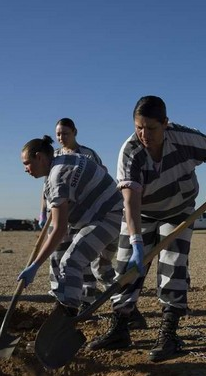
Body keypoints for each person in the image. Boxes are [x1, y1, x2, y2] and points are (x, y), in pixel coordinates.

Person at [88, 95, 206, 361]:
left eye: (151, 128)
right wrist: (138, 243)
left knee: (173, 265)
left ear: (165, 123)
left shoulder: (186, 139)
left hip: (179, 209)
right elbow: (130, 201)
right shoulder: (130, 152)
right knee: (126, 267)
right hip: (141, 212)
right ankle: (120, 328)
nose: (144, 134)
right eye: (139, 127)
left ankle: (169, 334)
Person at [38, 118, 146, 327]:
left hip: (96, 215)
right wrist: (44, 211)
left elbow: (98, 179)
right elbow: (48, 189)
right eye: (58, 134)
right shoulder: (55, 156)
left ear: (75, 132)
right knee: (61, 257)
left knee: (91, 263)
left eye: (65, 133)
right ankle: (69, 303)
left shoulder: (87, 154)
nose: (61, 138)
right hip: (70, 217)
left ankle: (99, 303)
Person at [17, 135, 123, 316]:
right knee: (58, 255)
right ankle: (64, 301)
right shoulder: (65, 159)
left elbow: (58, 229)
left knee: (72, 261)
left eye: (27, 163)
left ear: (39, 157)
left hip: (111, 216)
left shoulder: (56, 179)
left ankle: (68, 314)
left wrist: (35, 266)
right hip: (94, 214)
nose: (25, 169)